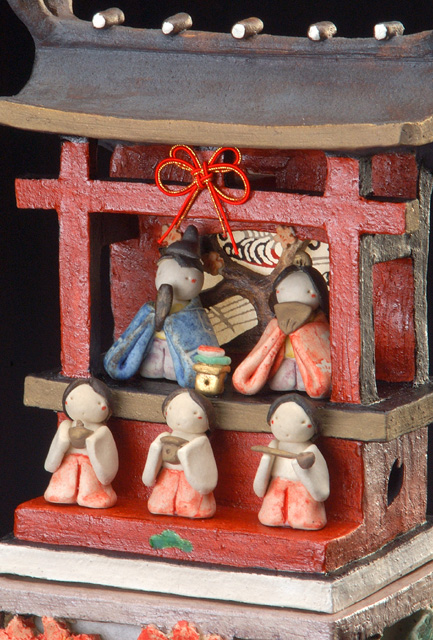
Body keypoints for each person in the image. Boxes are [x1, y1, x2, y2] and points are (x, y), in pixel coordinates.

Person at [104, 226, 219, 387]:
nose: (171, 279)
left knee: (175, 368)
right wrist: (153, 317)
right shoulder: (149, 309)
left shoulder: (195, 314)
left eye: (186, 277)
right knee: (151, 366)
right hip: (154, 347)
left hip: (176, 356)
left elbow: (203, 339)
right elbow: (134, 333)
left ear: (196, 279)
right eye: (162, 273)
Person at [232, 265, 331, 398]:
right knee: (281, 380)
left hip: (307, 365)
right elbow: (265, 345)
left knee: (306, 380)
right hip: (284, 360)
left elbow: (322, 345)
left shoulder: (319, 323)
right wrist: (279, 332)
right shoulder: (276, 323)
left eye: (307, 291)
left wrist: (303, 333)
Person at [253, 394, 329, 529]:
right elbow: (259, 488)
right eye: (277, 419)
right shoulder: (273, 448)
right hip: (276, 491)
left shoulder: (312, 451)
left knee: (304, 518)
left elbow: (322, 492)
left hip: (303, 495)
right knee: (271, 516)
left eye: (301, 422)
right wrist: (266, 460)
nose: (286, 427)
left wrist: (303, 470)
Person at [142, 388, 218, 518]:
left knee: (190, 506)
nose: (180, 417)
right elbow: (150, 470)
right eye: (172, 409)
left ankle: (194, 506)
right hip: (167, 476)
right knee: (159, 504)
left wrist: (185, 453)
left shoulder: (201, 441)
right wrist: (156, 448)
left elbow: (205, 472)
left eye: (194, 413)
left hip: (190, 480)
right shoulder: (164, 437)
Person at [44, 378, 118, 508]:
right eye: (73, 399)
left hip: (91, 467)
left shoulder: (102, 432)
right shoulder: (66, 426)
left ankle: (93, 494)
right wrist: (62, 442)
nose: (83, 406)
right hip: (67, 465)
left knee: (90, 484)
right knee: (62, 483)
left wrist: (92, 443)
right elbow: (50, 464)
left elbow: (108, 463)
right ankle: (62, 491)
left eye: (96, 402)